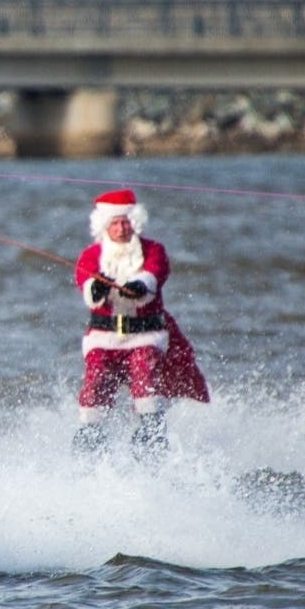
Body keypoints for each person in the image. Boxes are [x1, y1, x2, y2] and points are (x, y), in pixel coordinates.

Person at [72, 190, 209, 459]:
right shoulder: (91, 256)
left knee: (144, 376)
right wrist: (95, 288)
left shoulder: (153, 250)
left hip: (145, 336)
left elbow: (155, 273)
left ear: (135, 222)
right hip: (104, 337)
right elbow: (84, 282)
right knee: (96, 379)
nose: (122, 228)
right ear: (104, 226)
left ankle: (151, 436)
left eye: (126, 222)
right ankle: (91, 438)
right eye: (115, 223)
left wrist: (140, 284)